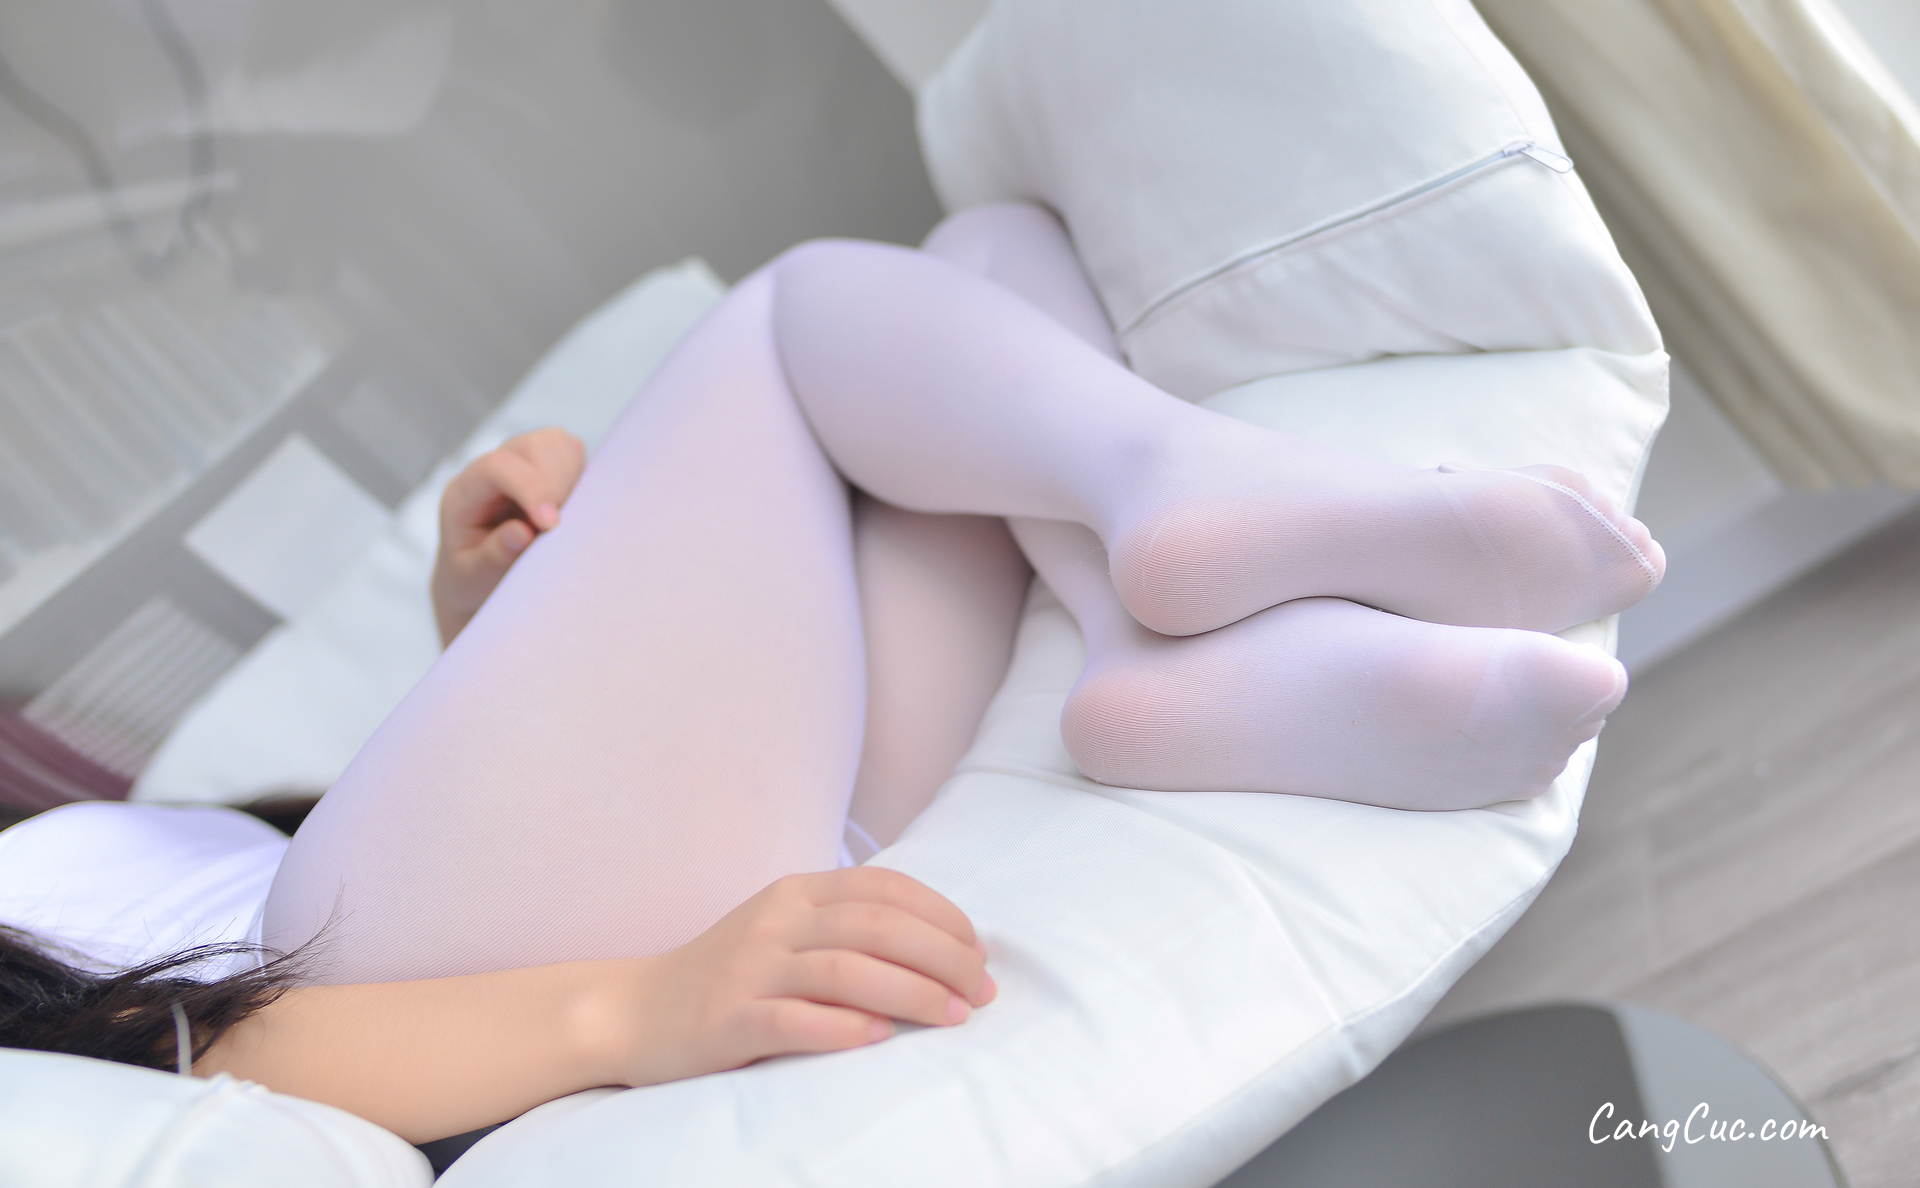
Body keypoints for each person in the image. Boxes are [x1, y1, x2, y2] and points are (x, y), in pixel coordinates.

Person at [0, 203, 1660, 1144]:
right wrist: (633, 1008)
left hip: (642, 878)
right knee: (799, 321)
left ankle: (1146, 662)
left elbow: (383, 874)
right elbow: (197, 1077)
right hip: (483, 1003)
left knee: (994, 262)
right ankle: (1174, 503)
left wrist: (487, 626)